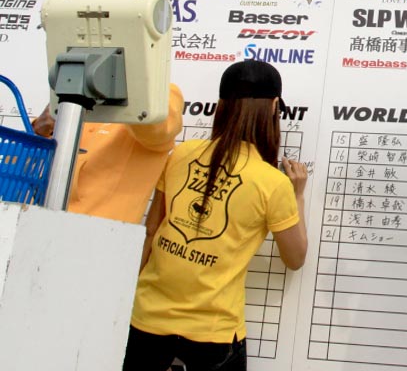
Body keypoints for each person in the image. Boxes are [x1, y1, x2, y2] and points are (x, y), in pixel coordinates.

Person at [122, 60, 308, 371]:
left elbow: (151, 230)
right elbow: (295, 257)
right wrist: (298, 195)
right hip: (213, 332)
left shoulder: (182, 154)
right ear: (274, 107)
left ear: (220, 106)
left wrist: (125, 296)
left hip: (146, 318)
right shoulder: (273, 183)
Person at [31, 83, 185, 223]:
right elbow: (23, 167)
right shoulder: (76, 91)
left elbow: (157, 130)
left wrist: (128, 85)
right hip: (37, 222)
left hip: (100, 235)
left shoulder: (161, 92)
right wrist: (39, 131)